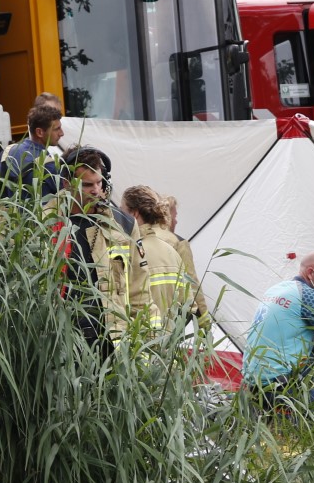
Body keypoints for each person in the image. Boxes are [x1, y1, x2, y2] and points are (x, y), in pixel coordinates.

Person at [53, 146, 147, 351]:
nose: (96, 190)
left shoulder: (124, 225)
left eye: (99, 182)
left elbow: (140, 290)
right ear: (67, 184)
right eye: (87, 185)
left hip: (112, 340)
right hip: (63, 341)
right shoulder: (45, 222)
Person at [241, 252, 314, 412]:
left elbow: (302, 337)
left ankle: (313, 391)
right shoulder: (308, 295)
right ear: (311, 273)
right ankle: (311, 403)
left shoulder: (277, 289)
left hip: (252, 378)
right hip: (278, 381)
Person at [121, 185, 187, 331]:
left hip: (136, 345)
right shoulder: (172, 252)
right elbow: (188, 304)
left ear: (134, 214)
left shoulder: (130, 253)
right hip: (167, 346)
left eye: (122, 210)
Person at [0, 102, 63, 200]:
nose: (61, 133)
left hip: (7, 214)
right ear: (39, 132)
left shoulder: (8, 152)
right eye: (57, 129)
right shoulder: (48, 165)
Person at [161, 195, 211, 332]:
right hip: (172, 314)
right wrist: (204, 321)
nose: (176, 221)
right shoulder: (179, 243)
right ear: (167, 217)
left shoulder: (141, 238)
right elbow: (192, 282)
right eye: (174, 216)